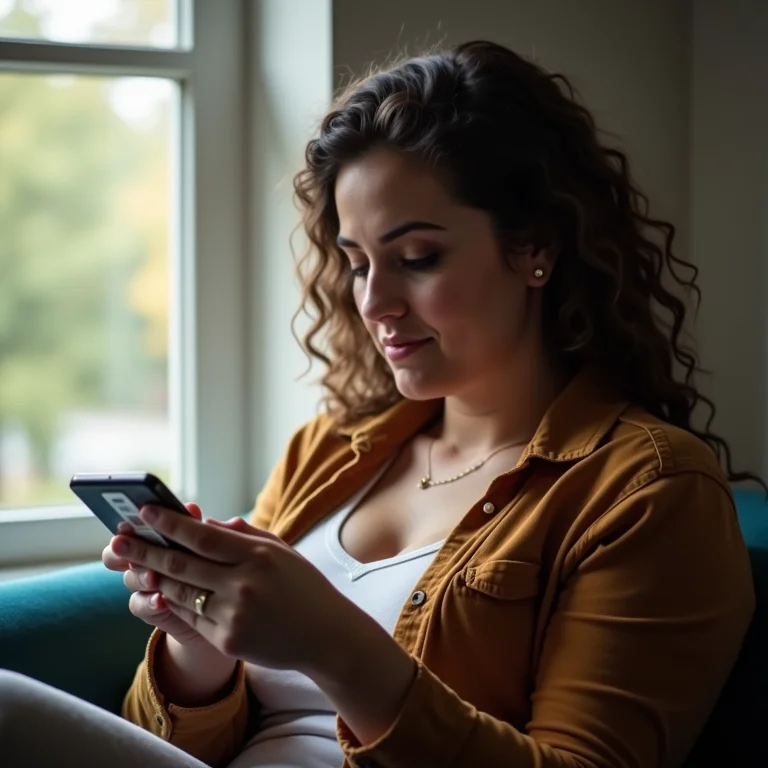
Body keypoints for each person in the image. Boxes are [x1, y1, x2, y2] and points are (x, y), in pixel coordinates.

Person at [0, 39, 759, 768]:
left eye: (417, 258)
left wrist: (334, 643)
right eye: (357, 262)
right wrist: (195, 643)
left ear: (535, 248)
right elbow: (176, 744)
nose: (375, 302)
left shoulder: (647, 490)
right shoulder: (328, 450)